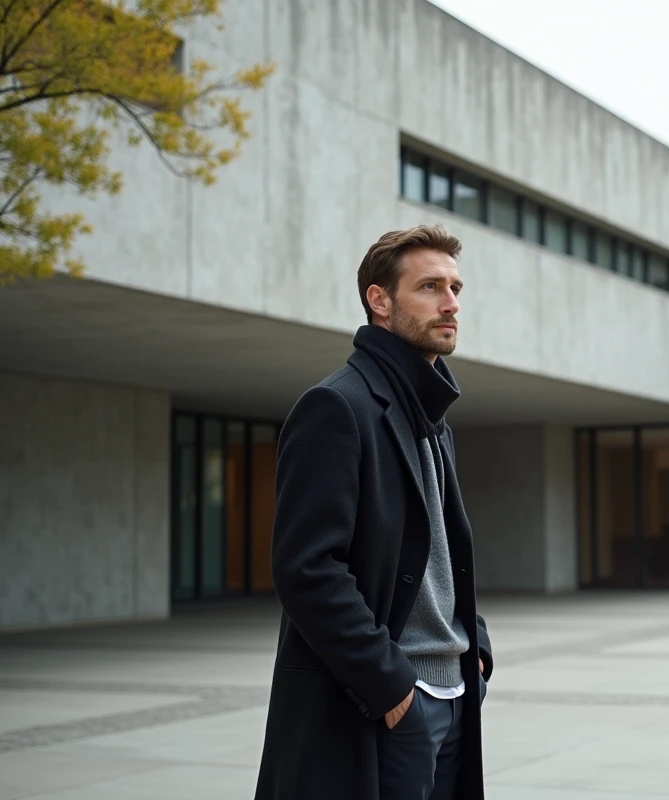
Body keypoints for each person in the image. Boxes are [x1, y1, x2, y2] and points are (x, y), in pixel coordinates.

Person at [254, 224, 493, 800]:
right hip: (383, 706)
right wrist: (390, 687)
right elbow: (307, 568)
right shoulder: (336, 407)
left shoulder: (432, 420)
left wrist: (476, 649)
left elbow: (444, 554)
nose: (451, 303)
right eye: (430, 286)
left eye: (456, 287)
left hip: (456, 698)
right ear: (379, 300)